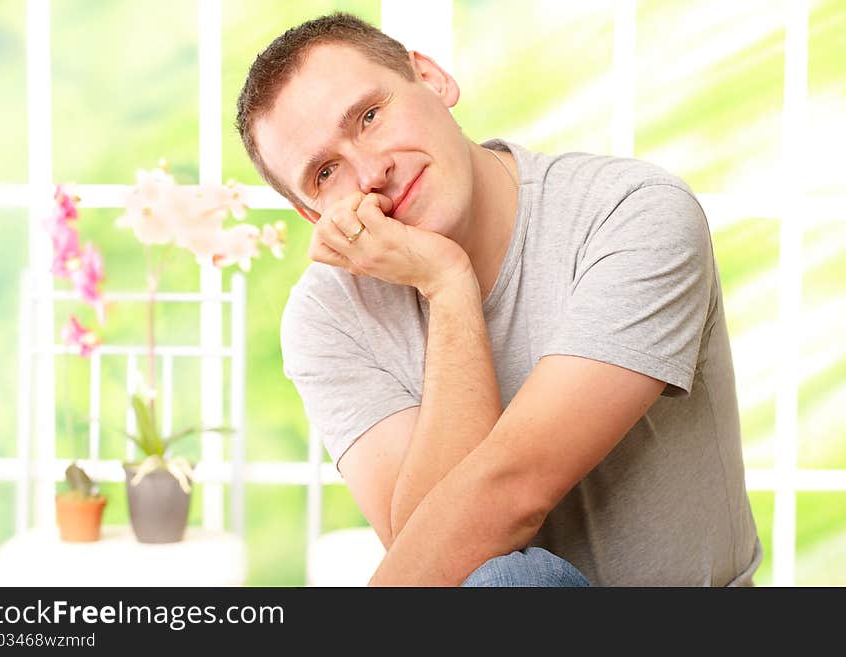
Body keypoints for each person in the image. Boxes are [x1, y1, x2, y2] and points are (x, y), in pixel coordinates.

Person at [235, 12, 763, 586]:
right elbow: (432, 550)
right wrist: (449, 287)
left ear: (433, 79)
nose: (371, 172)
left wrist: (443, 279)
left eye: (369, 116)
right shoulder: (328, 315)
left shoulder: (632, 213)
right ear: (312, 214)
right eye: (325, 172)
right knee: (502, 580)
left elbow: (511, 495)